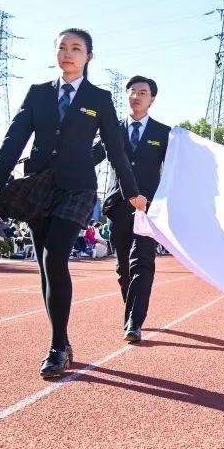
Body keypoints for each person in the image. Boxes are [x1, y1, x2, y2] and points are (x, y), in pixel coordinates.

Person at [0, 28, 146, 379]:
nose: (68, 54)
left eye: (76, 48)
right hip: (38, 186)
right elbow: (14, 138)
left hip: (78, 188)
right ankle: (64, 341)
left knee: (55, 256)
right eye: (62, 48)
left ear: (89, 57)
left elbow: (115, 149)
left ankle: (56, 348)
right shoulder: (38, 93)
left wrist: (131, 191)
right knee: (46, 266)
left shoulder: (99, 98)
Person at [92, 75, 170, 343]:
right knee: (123, 267)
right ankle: (131, 308)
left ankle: (135, 322)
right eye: (132, 91)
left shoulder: (163, 133)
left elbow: (175, 168)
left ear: (152, 99)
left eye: (143, 92)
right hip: (118, 204)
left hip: (148, 207)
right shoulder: (112, 128)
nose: (136, 96)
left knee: (143, 261)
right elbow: (93, 155)